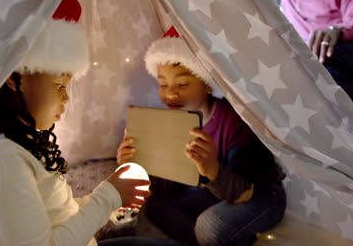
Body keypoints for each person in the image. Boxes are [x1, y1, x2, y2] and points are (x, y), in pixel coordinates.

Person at [0, 0, 179, 246]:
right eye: (59, 85)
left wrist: (114, 203)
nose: (66, 99)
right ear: (15, 77)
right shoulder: (2, 157)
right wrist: (109, 195)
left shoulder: (20, 140)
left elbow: (62, 216)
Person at [117, 26, 286, 246]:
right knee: (156, 205)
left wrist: (212, 169)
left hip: (257, 193)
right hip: (210, 195)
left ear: (207, 84)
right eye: (163, 84)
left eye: (183, 84)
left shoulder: (234, 121)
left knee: (210, 226)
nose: (170, 93)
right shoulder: (171, 121)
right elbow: (171, 185)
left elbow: (245, 192)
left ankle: (217, 237)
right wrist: (136, 163)